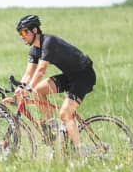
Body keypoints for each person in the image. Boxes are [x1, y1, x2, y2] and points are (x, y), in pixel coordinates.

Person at [14, 14, 96, 151]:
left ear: (35, 30)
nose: (22, 35)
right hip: (70, 76)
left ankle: (80, 151)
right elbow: (28, 74)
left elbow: (41, 70)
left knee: (65, 114)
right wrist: (20, 88)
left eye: (24, 31)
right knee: (38, 90)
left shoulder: (48, 42)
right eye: (19, 33)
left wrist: (28, 88)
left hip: (84, 75)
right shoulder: (34, 49)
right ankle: (54, 128)